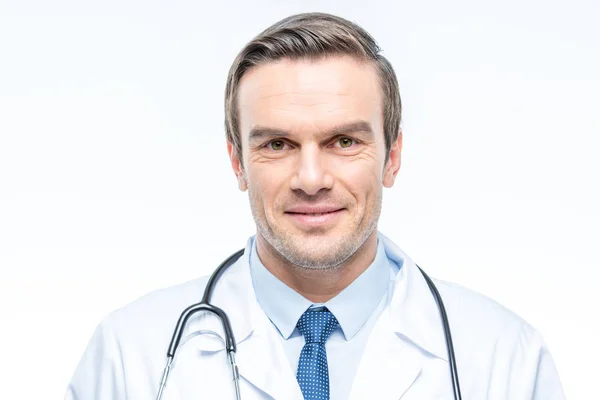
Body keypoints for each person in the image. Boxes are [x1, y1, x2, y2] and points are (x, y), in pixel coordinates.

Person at [65, 12, 565, 400]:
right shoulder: (132, 355)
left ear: (392, 158)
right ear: (238, 162)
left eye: (344, 141)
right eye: (277, 144)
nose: (311, 179)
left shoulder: (506, 359)